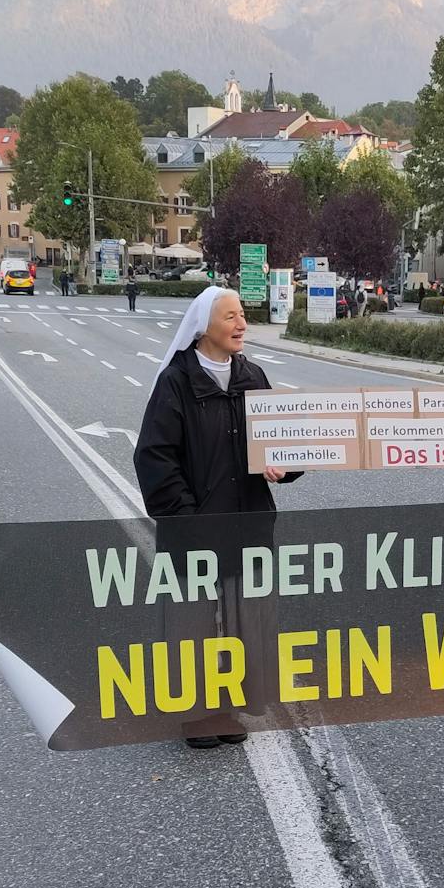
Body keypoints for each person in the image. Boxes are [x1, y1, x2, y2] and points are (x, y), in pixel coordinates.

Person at [133, 288, 301, 750]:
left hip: (248, 523)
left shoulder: (254, 377)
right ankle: (197, 712)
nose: (242, 323)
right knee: (194, 621)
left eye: (243, 315)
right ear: (204, 325)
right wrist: (188, 522)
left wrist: (285, 466)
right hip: (195, 528)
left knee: (247, 617)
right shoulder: (176, 382)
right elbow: (155, 460)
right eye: (232, 316)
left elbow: (283, 446)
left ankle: (232, 702)